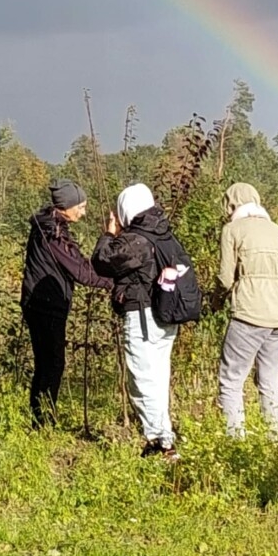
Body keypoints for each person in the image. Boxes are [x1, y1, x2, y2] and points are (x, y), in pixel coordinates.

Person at [93, 183, 190, 461]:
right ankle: (163, 438)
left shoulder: (136, 240)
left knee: (141, 380)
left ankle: (162, 444)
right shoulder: (164, 234)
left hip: (143, 315)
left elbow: (102, 261)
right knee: (157, 379)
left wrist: (109, 233)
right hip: (166, 316)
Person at [20, 179, 113, 427]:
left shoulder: (49, 226)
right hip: (45, 306)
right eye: (80, 206)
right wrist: (114, 282)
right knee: (52, 363)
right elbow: (81, 271)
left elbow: (78, 264)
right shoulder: (54, 233)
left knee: (45, 363)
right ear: (66, 206)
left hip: (40, 303)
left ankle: (40, 420)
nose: (83, 212)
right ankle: (44, 422)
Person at [216, 183, 278, 439]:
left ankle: (236, 441)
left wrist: (214, 302)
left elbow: (225, 279)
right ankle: (274, 437)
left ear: (231, 205)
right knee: (269, 377)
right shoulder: (277, 230)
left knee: (231, 379)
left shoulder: (232, 230)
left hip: (250, 312)